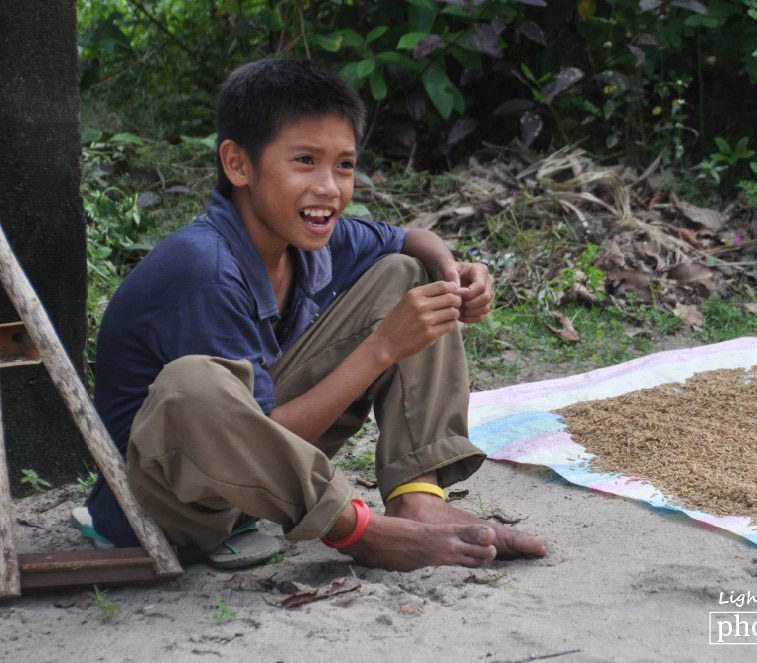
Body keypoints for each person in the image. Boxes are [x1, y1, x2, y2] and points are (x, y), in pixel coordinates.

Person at [79, 57, 546, 571]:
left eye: (343, 164)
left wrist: (450, 269)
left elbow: (409, 240)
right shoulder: (205, 268)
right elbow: (254, 440)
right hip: (164, 504)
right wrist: (382, 347)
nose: (329, 187)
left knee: (407, 274)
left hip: (249, 485)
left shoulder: (306, 236)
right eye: (304, 160)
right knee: (193, 385)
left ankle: (418, 499)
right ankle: (358, 532)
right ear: (238, 165)